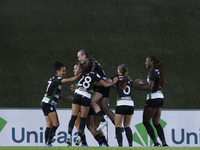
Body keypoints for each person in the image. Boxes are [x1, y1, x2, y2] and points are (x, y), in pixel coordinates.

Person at [66, 58, 118, 146]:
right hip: (86, 98)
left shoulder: (82, 74)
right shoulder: (94, 75)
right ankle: (102, 144)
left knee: (77, 121)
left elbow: (74, 80)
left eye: (76, 68)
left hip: (81, 97)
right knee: (90, 125)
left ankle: (77, 139)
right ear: (93, 66)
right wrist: (112, 82)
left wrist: (61, 80)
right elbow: (102, 84)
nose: (74, 70)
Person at [41, 61, 79, 146]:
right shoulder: (57, 79)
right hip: (48, 104)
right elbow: (71, 79)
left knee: (49, 125)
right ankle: (48, 143)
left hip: (45, 103)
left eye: (65, 71)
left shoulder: (53, 80)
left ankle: (46, 144)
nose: (64, 73)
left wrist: (65, 98)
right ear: (57, 71)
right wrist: (80, 75)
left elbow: (51, 93)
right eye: (63, 71)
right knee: (56, 124)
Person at [77, 49, 115, 131]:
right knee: (105, 108)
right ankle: (118, 126)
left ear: (84, 56)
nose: (78, 59)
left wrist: (80, 85)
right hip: (104, 85)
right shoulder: (93, 62)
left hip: (102, 86)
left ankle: (102, 120)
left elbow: (94, 80)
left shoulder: (90, 64)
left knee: (92, 101)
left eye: (79, 57)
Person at [134, 56, 168, 147]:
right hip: (160, 97)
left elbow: (150, 87)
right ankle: (164, 144)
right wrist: (144, 82)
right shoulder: (158, 71)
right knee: (156, 123)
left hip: (153, 98)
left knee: (146, 122)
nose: (146, 63)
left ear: (152, 62)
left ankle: (156, 143)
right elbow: (154, 84)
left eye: (147, 61)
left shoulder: (152, 71)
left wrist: (135, 88)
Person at [111, 64, 134, 147]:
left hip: (121, 103)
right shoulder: (130, 79)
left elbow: (110, 82)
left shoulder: (117, 78)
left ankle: (120, 146)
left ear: (119, 71)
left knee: (118, 126)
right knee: (127, 126)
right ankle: (130, 145)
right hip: (130, 104)